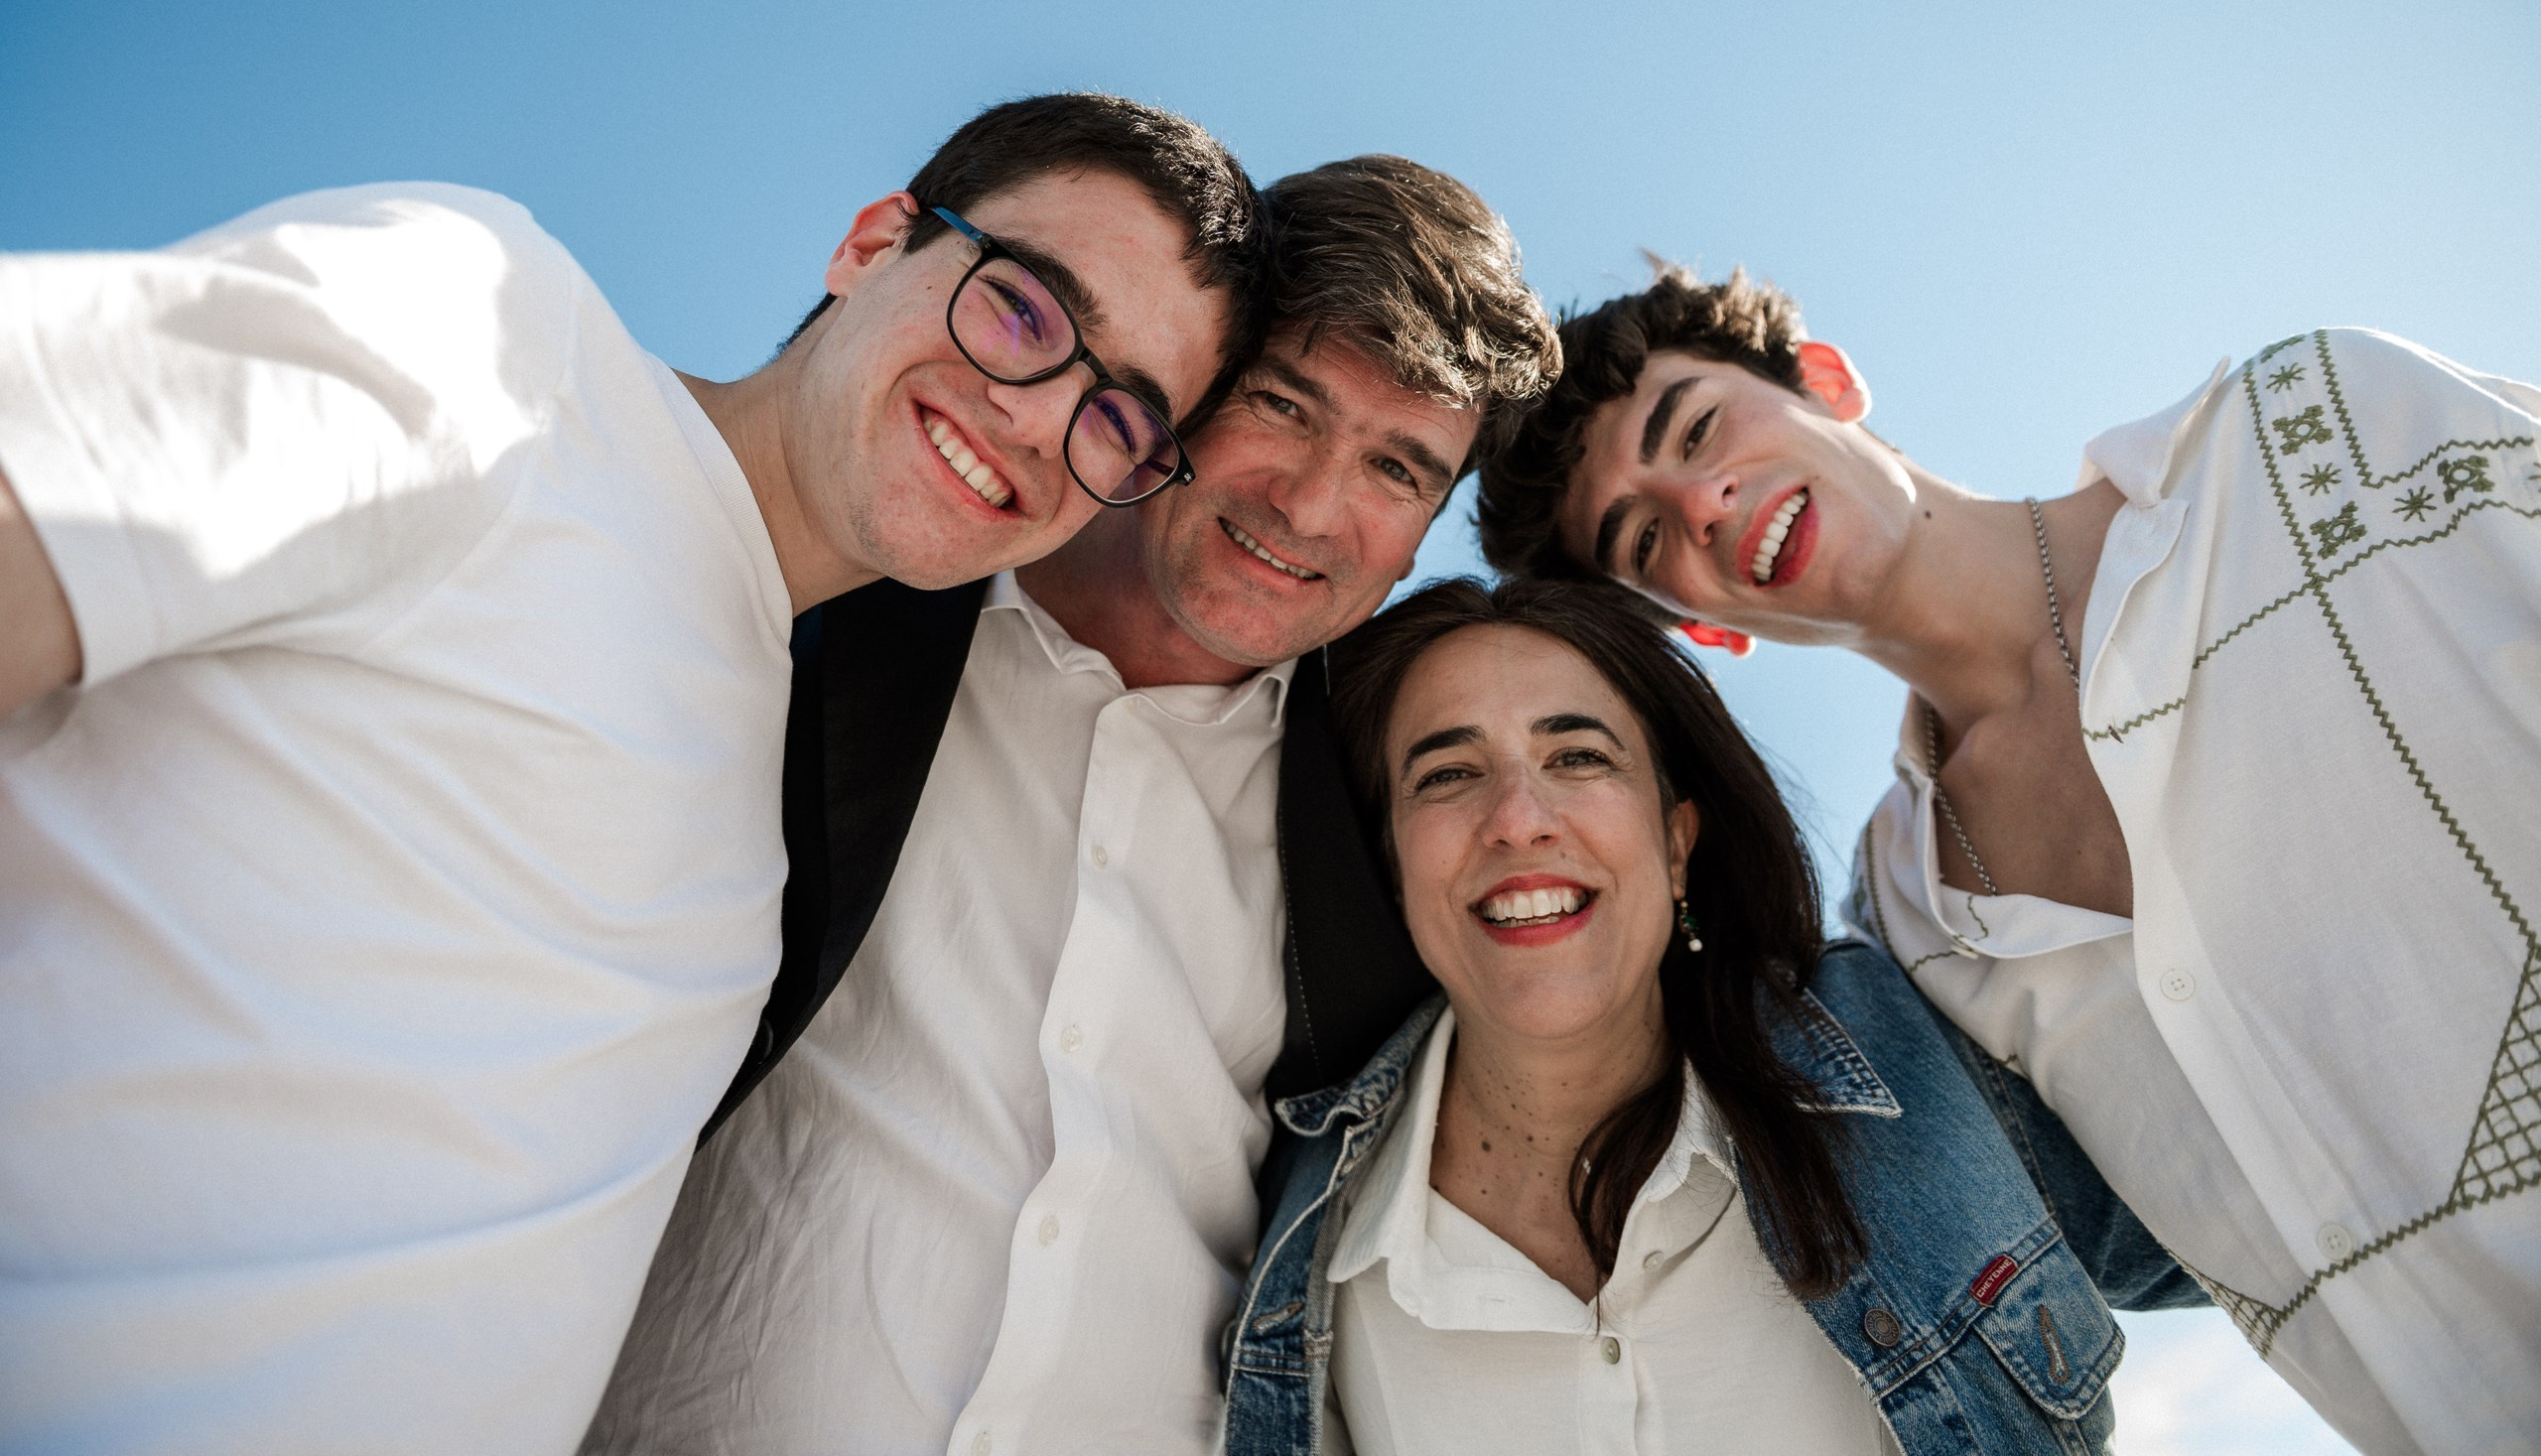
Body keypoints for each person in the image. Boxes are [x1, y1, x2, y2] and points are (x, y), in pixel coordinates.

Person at [0, 92, 1267, 1455]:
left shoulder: (779, 825)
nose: (1036, 421)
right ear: (872, 244)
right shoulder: (495, 340)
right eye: (1022, 310)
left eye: (1118, 417)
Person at [579, 155, 1564, 1455]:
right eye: (1282, 403)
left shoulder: (1389, 828)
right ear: (1186, 383)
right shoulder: (845, 610)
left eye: (1398, 468)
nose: (1314, 504)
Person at [1475, 267, 2541, 1453]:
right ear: (1706, 630)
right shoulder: (1906, 927)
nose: (1704, 503)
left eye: (1698, 427)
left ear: (1824, 381)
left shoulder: (2305, 431)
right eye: (1644, 535)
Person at [1225, 576, 2196, 1454]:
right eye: (1445, 772)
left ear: (1676, 843)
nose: (1518, 815)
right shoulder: (1303, 1243)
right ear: (1390, 865)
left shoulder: (1913, 1054)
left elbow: (2255, 1217)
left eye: (1577, 754)